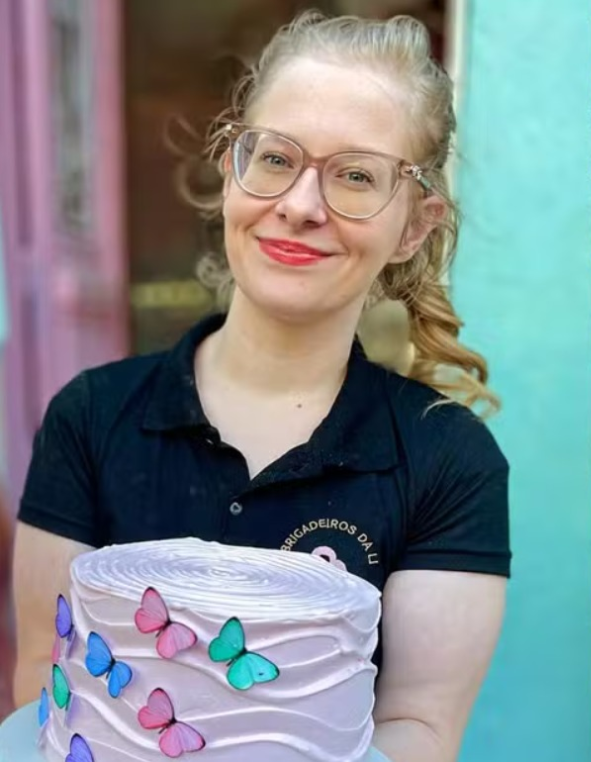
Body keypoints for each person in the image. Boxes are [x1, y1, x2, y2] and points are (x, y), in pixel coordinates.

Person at [11, 12, 509, 762]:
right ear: (231, 167)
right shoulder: (92, 417)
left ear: (414, 226)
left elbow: (419, 730)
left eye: (355, 175)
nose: (302, 205)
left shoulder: (448, 460)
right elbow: (45, 690)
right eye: (276, 158)